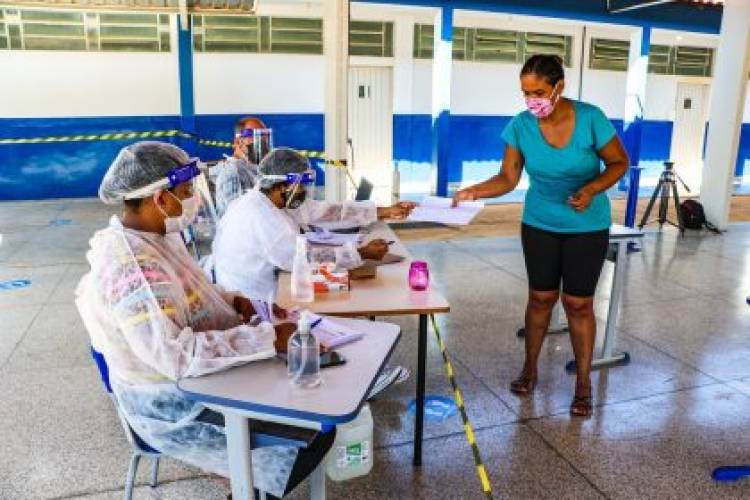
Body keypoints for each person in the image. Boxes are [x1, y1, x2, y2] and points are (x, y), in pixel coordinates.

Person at [75, 141, 334, 498]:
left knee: (310, 408)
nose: (194, 199)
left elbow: (189, 292)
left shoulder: (158, 236)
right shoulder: (131, 266)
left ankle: (249, 488)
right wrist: (268, 339)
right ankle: (246, 489)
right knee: (314, 433)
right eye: (186, 192)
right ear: (160, 199)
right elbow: (175, 356)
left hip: (202, 381)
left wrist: (234, 301)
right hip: (174, 405)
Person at [453, 55, 629, 417]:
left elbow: (619, 163)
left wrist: (593, 188)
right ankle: (529, 368)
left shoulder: (591, 118)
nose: (531, 100)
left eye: (538, 92)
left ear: (558, 87)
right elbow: (508, 178)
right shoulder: (520, 125)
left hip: (586, 224)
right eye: (525, 92)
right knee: (540, 298)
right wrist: (474, 191)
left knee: (578, 303)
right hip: (539, 222)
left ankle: (583, 383)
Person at [212, 147, 415, 302]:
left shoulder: (275, 200)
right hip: (255, 300)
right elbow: (302, 259)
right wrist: (361, 253)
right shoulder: (260, 215)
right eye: (300, 186)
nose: (303, 191)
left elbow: (329, 212)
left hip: (271, 284)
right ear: (282, 185)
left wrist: (384, 211)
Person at [214, 117, 271, 217]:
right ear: (238, 142)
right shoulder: (232, 172)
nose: (262, 140)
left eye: (264, 136)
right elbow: (236, 217)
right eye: (254, 136)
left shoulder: (255, 169)